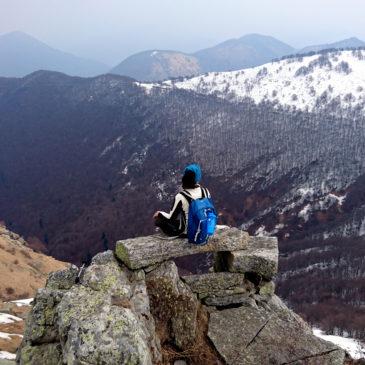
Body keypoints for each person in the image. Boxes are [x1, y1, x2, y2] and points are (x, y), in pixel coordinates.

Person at [153, 164, 211, 237]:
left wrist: (159, 213)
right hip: (203, 229)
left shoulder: (181, 196)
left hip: (188, 233)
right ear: (198, 177)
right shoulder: (206, 191)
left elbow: (171, 218)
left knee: (159, 221)